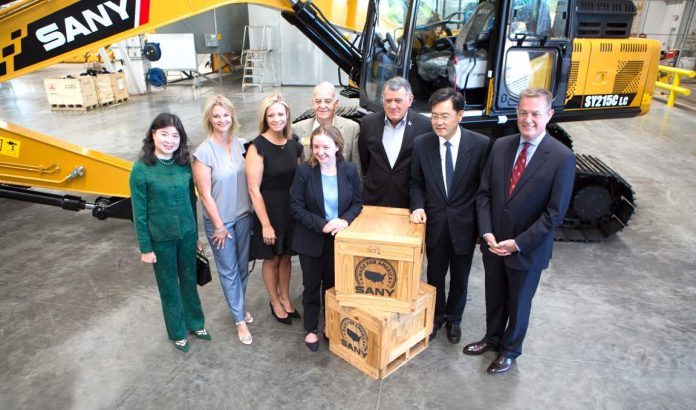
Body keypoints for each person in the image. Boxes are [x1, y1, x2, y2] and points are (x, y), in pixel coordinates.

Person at [463, 88, 576, 374]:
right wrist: (486, 231)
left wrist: (518, 243)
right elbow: (484, 194)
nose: (528, 119)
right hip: (494, 243)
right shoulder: (501, 145)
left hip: (527, 249)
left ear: (549, 115)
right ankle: (492, 338)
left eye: (535, 113)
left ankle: (510, 349)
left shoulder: (561, 158)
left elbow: (554, 214)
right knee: (495, 295)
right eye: (523, 112)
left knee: (519, 302)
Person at [410, 88, 490, 344]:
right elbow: (415, 183)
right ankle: (436, 317)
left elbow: (483, 190)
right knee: (434, 275)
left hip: (465, 226)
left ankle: (454, 319)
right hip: (434, 224)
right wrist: (418, 206)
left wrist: (482, 227)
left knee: (460, 277)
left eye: (445, 116)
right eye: (434, 116)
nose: (439, 122)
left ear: (460, 115)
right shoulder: (422, 144)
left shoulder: (480, 145)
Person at [129, 113, 210, 353]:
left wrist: (195, 235)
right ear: (152, 135)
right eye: (163, 134)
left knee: (188, 281)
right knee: (169, 286)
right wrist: (145, 248)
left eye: (175, 136)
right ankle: (177, 331)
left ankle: (196, 323)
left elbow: (190, 200)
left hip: (185, 236)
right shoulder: (141, 169)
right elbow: (139, 212)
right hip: (160, 239)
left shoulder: (184, 164)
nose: (169, 140)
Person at [290, 125, 363, 352]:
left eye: (325, 147)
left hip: (339, 241)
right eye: (315, 146)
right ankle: (310, 328)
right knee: (311, 286)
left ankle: (331, 326)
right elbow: (296, 206)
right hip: (311, 239)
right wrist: (322, 225)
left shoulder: (349, 170)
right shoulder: (305, 172)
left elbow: (358, 203)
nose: (320, 152)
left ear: (338, 146)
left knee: (333, 287)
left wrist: (345, 221)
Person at [192, 96, 253, 345]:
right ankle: (239, 320)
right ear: (209, 119)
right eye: (216, 116)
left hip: (244, 216)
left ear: (232, 116)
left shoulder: (243, 144)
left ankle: (238, 307)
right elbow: (204, 194)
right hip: (221, 223)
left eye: (225, 115)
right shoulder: (203, 153)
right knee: (228, 272)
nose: (221, 120)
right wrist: (218, 225)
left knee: (242, 268)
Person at [246, 94, 304, 325]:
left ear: (287, 115)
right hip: (268, 213)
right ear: (265, 118)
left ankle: (286, 297)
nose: (276, 119)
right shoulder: (257, 147)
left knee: (286, 257)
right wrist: (266, 224)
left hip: (290, 212)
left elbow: (300, 180)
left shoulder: (294, 145)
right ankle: (274, 301)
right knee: (271, 259)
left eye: (280, 114)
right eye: (271, 115)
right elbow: (253, 190)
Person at [358, 76, 432, 208]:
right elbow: (365, 161)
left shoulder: (424, 126)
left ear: (410, 100)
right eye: (388, 100)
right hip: (374, 200)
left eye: (398, 100)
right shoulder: (368, 123)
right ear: (382, 100)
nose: (393, 106)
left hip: (407, 202)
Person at [292, 81, 361, 175]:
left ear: (336, 103)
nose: (322, 106)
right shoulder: (297, 129)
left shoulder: (352, 129)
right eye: (318, 101)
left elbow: (356, 169)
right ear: (313, 103)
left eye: (327, 101)